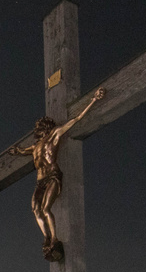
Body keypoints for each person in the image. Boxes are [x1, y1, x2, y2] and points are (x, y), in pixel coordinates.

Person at [7, 87, 106, 261]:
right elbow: (23, 151)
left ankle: (54, 238)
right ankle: (46, 237)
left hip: (53, 175)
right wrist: (16, 151)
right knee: (35, 209)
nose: (37, 130)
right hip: (40, 181)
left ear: (45, 127)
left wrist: (94, 100)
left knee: (46, 208)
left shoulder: (54, 135)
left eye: (39, 127)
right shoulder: (35, 147)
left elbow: (75, 119)